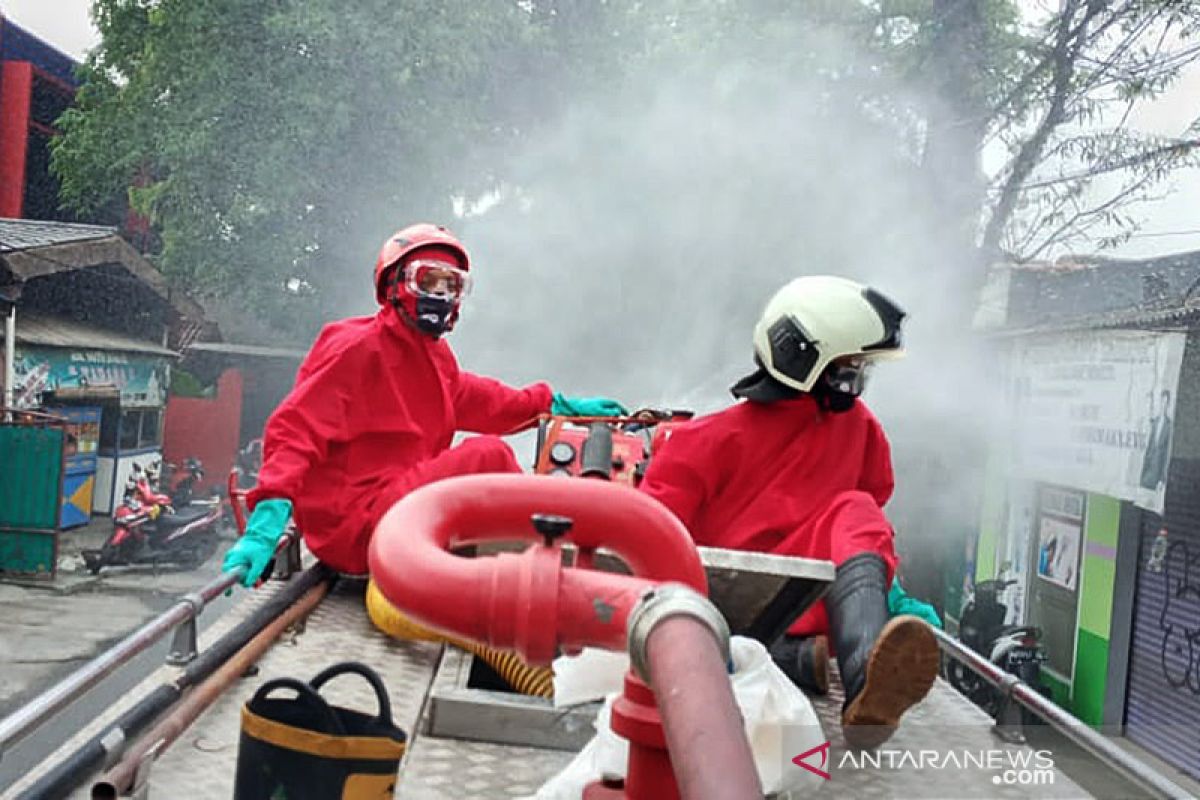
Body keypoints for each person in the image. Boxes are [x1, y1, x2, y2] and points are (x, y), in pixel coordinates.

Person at [222, 223, 625, 585]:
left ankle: (552, 549)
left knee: (488, 458)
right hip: (356, 524)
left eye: (452, 285)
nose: (441, 295)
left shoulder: (432, 359)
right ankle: (555, 561)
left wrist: (552, 404)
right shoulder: (356, 348)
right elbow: (295, 431)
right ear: (394, 285)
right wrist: (265, 524)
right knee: (487, 456)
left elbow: (483, 400)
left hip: (393, 513)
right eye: (428, 281)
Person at [638, 275, 938, 747]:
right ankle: (792, 658)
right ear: (803, 358)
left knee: (855, 509)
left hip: (797, 602)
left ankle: (867, 685)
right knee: (856, 510)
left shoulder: (860, 430)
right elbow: (649, 546)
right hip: (704, 610)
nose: (856, 378)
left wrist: (888, 597)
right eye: (847, 366)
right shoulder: (702, 443)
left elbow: (867, 518)